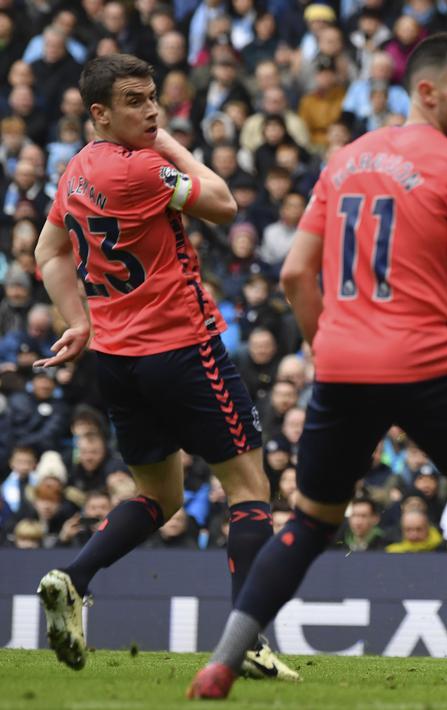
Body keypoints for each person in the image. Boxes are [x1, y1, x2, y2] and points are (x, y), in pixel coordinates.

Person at [186, 34, 447, 708]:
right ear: (428, 91)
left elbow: (296, 273)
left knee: (310, 522)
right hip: (421, 360)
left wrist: (331, 343)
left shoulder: (344, 159)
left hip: (342, 364)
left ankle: (221, 666)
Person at [33, 53, 293, 680]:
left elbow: (48, 252)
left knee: (160, 494)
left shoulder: (74, 172)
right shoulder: (145, 169)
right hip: (184, 348)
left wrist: (81, 321)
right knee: (250, 489)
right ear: (100, 113)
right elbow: (226, 205)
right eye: (134, 101)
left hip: (118, 361)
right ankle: (246, 644)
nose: (151, 110)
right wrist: (172, 142)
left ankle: (73, 577)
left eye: (154, 99)